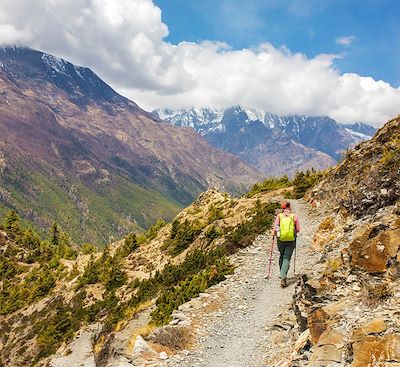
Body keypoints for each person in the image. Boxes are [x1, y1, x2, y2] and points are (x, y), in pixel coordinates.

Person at [272, 202, 300, 288]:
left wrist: (274, 234)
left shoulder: (279, 216)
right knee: (287, 257)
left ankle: (282, 275)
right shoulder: (294, 216)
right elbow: (298, 229)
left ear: (283, 208)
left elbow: (275, 227)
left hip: (280, 239)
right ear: (289, 208)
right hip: (291, 240)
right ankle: (283, 276)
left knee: (282, 255)